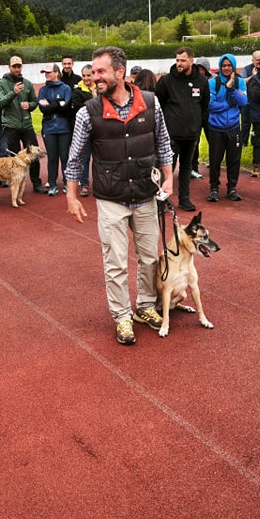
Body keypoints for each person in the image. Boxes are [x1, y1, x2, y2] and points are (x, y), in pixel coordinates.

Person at [65, 45, 173, 346]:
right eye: (93, 71)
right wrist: (71, 197)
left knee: (150, 258)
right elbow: (75, 158)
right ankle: (122, 316)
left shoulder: (151, 103)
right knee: (116, 262)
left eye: (101, 71)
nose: (95, 77)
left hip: (146, 194)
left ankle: (146, 306)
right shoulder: (88, 112)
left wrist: (168, 179)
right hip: (111, 198)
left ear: (120, 72)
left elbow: (163, 143)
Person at [155, 46, 208, 211]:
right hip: (171, 135)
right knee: (167, 168)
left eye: (183, 60)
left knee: (186, 167)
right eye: (177, 60)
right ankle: (161, 201)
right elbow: (158, 104)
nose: (179, 63)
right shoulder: (166, 81)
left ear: (191, 61)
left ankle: (184, 199)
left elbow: (204, 105)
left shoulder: (202, 81)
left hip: (191, 135)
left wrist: (197, 126)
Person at [0, 55, 44, 193]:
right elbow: (0, 103)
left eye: (19, 66)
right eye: (14, 66)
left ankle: (36, 183)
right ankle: (16, 185)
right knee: (14, 158)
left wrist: (29, 105)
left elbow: (34, 101)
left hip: (27, 125)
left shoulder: (27, 83)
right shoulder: (1, 84)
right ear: (9, 67)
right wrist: (13, 92)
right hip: (11, 125)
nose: (17, 69)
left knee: (34, 155)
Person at [205, 54, 246, 202]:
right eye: (224, 65)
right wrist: (228, 104)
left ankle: (232, 188)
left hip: (233, 127)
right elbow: (210, 105)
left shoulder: (240, 82)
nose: (226, 68)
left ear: (233, 66)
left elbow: (243, 101)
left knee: (234, 160)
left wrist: (231, 90)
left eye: (229, 65)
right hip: (216, 128)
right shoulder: (213, 83)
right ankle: (214, 189)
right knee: (215, 160)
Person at [37, 63, 73, 196]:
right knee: (52, 157)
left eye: (48, 72)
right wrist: (58, 103)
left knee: (64, 157)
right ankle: (52, 184)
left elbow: (66, 107)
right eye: (45, 73)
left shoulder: (66, 88)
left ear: (56, 73)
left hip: (64, 128)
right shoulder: (43, 90)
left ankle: (67, 183)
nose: (46, 75)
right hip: (49, 128)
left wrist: (51, 105)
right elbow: (43, 109)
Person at [69, 63, 96, 197]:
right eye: (84, 75)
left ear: (93, 75)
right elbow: (77, 106)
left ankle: (99, 183)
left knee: (100, 159)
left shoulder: (101, 88)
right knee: (84, 159)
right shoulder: (77, 90)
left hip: (99, 130)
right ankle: (84, 184)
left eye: (88, 75)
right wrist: (94, 101)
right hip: (84, 130)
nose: (86, 78)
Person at [240, 50, 260, 145]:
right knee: (245, 123)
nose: (259, 62)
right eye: (257, 60)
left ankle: (256, 142)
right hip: (248, 101)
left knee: (258, 124)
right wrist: (253, 76)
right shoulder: (247, 69)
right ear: (252, 60)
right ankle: (243, 142)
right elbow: (242, 81)